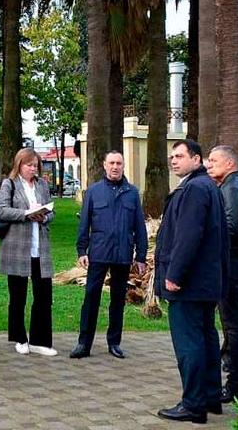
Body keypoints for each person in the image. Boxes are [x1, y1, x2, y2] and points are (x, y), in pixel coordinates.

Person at [156, 139, 228, 424]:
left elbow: (188, 236)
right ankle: (210, 397)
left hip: (190, 283)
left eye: (180, 156)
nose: (173, 160)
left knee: (189, 344)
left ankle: (194, 404)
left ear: (196, 159)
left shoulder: (195, 189)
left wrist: (175, 275)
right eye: (172, 156)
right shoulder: (204, 186)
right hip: (204, 282)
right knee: (206, 338)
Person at [71, 150, 148, 359]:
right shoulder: (94, 192)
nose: (115, 167)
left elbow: (139, 227)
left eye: (119, 163)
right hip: (99, 253)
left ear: (123, 166)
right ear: (105, 165)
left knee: (117, 300)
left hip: (123, 254)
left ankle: (114, 342)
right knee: (91, 298)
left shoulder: (132, 193)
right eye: (111, 163)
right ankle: (83, 343)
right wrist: (81, 250)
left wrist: (141, 256)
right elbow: (84, 224)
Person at [206, 145, 238, 402]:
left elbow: (230, 227)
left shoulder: (232, 189)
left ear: (230, 163)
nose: (208, 164)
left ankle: (237, 382)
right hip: (236, 262)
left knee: (233, 325)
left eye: (214, 160)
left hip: (230, 263)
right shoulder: (234, 185)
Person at [0, 147, 56, 357]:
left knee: (44, 295)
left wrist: (45, 216)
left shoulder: (42, 185)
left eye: (35, 165)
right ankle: (20, 338)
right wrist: (26, 214)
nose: (33, 169)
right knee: (18, 295)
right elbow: (1, 210)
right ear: (19, 165)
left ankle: (41, 340)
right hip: (17, 248)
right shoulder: (9, 184)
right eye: (29, 165)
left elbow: (52, 211)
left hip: (40, 247)